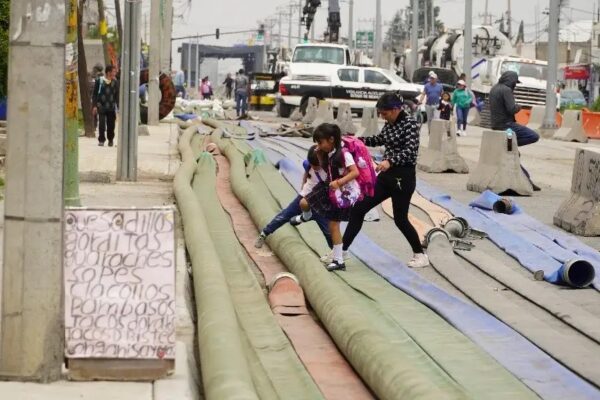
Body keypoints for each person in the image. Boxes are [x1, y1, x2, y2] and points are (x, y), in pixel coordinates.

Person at [342, 93, 429, 269]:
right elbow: (379, 139)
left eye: (386, 113)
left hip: (402, 177)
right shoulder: (390, 124)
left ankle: (420, 254)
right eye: (381, 114)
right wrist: (356, 140)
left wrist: (391, 161)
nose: (383, 116)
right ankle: (341, 251)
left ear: (396, 109)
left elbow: (411, 150)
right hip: (385, 176)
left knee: (400, 218)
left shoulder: (410, 124)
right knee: (359, 209)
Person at [292, 123, 360, 271]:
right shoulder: (329, 152)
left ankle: (339, 259)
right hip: (330, 186)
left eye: (320, 142)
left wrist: (339, 182)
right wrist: (319, 154)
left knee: (333, 225)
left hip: (341, 192)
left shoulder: (344, 154)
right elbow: (325, 167)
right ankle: (306, 216)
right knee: (305, 202)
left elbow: (355, 172)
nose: (319, 145)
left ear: (330, 139)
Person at [254, 145, 333, 250]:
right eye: (312, 165)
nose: (314, 167)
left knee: (328, 232)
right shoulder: (308, 164)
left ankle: (336, 256)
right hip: (304, 198)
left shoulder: (331, 172)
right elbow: (306, 175)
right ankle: (264, 234)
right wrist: (303, 189)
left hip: (321, 205)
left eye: (316, 166)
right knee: (284, 215)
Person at [489, 70, 541, 191]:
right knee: (534, 136)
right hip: (507, 125)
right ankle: (513, 146)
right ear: (511, 81)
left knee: (513, 154)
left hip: (496, 125)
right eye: (515, 83)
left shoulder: (494, 88)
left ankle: (526, 179)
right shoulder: (506, 90)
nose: (515, 86)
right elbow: (512, 109)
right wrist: (519, 106)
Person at [92, 65, 119, 147]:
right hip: (101, 106)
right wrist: (94, 106)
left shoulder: (115, 82)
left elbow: (117, 95)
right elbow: (95, 94)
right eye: (114, 71)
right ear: (108, 72)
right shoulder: (99, 81)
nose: (115, 73)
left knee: (111, 125)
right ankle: (101, 140)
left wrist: (118, 108)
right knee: (102, 124)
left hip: (111, 107)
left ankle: (110, 139)